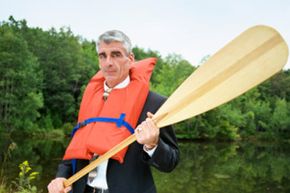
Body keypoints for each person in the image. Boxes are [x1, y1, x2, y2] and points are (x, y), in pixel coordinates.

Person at [47, 30, 179, 193]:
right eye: (103, 56)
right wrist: (61, 176)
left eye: (116, 54)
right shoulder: (91, 98)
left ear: (130, 59)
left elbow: (171, 162)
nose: (108, 62)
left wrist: (153, 144)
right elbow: (77, 148)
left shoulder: (154, 103)